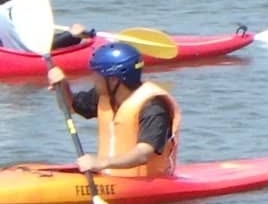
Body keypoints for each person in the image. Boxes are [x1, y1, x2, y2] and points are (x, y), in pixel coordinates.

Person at [46, 42, 179, 177]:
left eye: (97, 75)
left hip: (147, 183)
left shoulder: (153, 107)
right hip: (108, 177)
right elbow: (69, 107)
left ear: (114, 80)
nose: (93, 79)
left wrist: (101, 162)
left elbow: (143, 153)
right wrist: (62, 85)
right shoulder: (104, 96)